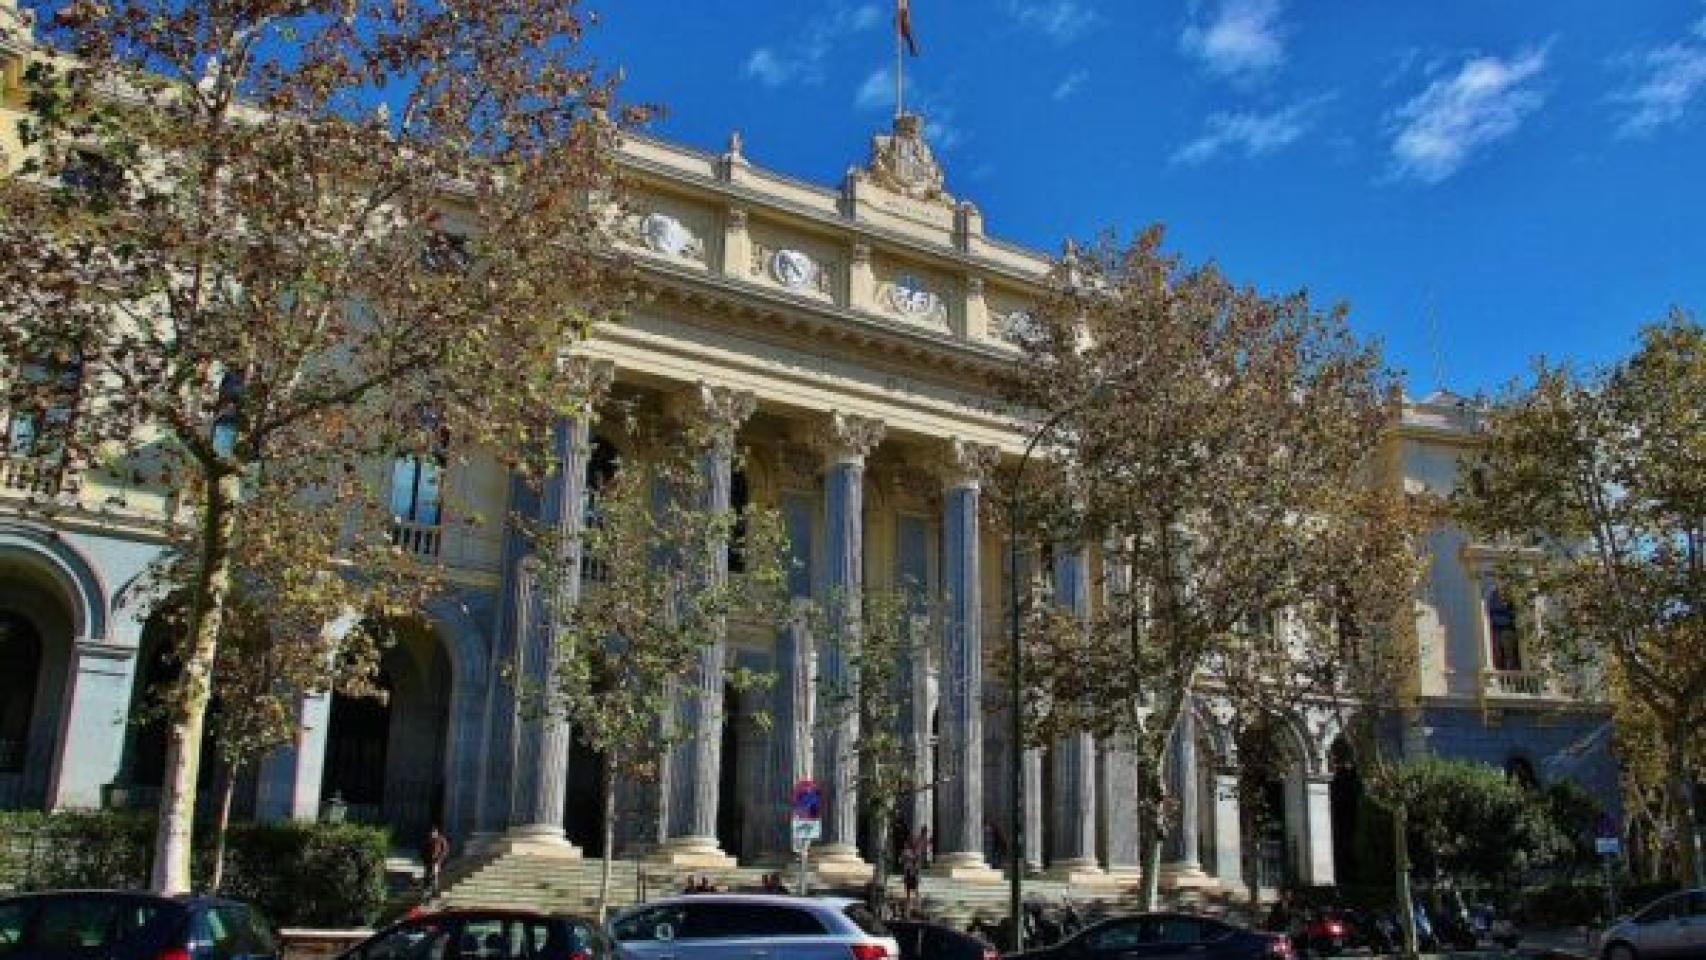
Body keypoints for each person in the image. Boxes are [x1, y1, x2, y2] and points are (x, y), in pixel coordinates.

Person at [423, 826, 450, 896]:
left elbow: (445, 850)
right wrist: (424, 858)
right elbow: (424, 850)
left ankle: (435, 891)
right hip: (429, 861)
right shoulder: (429, 840)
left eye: (434, 833)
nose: (432, 834)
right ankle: (427, 890)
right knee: (427, 875)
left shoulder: (441, 839)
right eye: (431, 833)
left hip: (437, 861)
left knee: (435, 875)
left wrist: (440, 859)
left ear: (436, 833)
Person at [900, 844, 921, 917]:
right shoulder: (908, 853)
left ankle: (915, 908)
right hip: (909, 873)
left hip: (912, 874)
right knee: (909, 893)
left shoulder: (913, 853)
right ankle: (909, 910)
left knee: (913, 893)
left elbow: (916, 864)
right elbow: (902, 860)